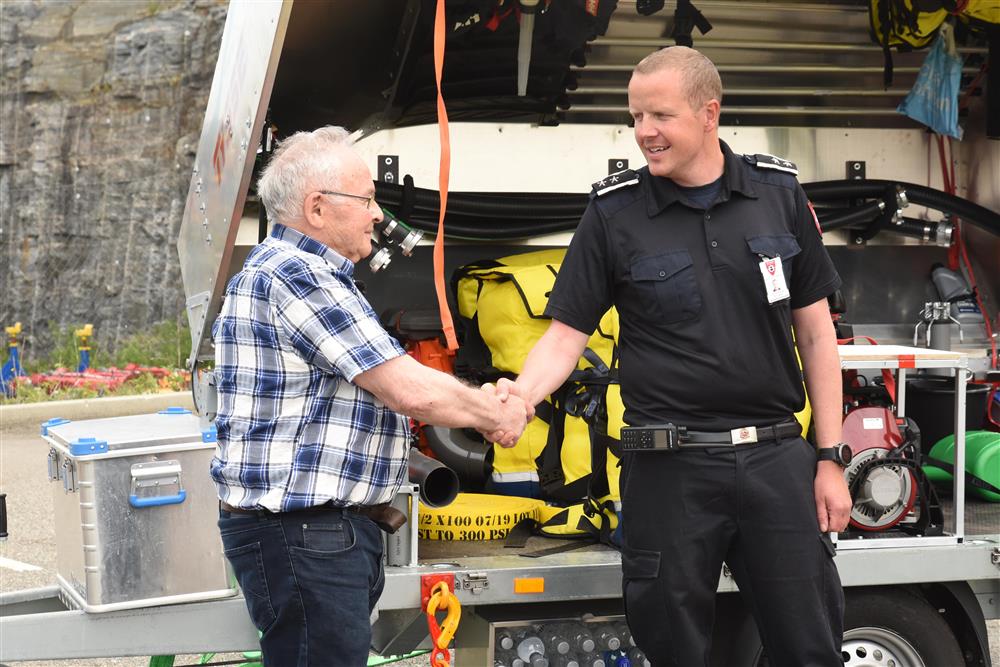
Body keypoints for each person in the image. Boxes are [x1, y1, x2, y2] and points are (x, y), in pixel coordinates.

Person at [496, 47, 851, 666]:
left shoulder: (778, 195)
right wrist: (520, 399)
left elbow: (818, 335)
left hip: (776, 464)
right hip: (668, 470)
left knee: (809, 648)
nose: (643, 133)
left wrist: (829, 458)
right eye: (635, 117)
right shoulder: (614, 213)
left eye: (659, 116)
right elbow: (564, 336)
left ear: (709, 114)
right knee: (674, 650)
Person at [210, 125, 527, 666]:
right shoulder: (297, 275)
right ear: (316, 208)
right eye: (367, 199)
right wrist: (494, 412)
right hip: (307, 534)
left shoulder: (294, 272)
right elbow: (407, 389)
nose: (378, 214)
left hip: (314, 534)